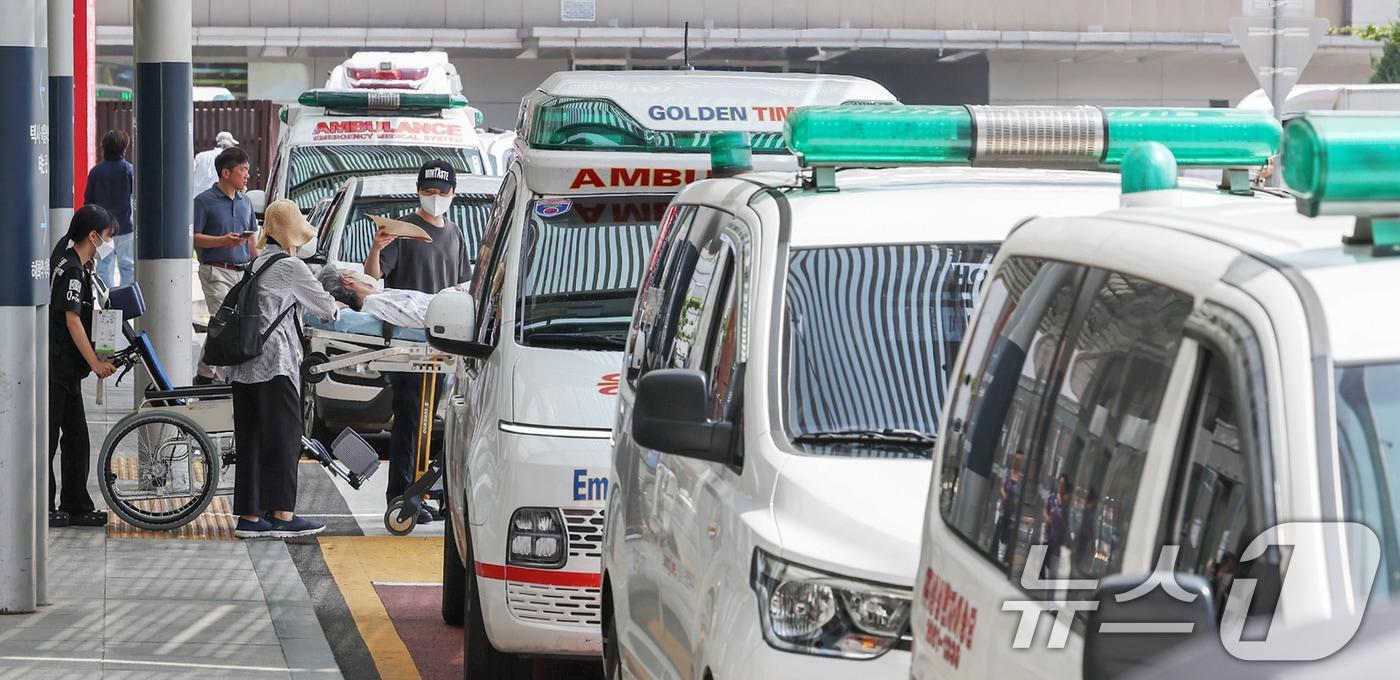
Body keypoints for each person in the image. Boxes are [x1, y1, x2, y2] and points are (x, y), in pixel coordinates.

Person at [228, 199, 342, 539]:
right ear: (293, 235)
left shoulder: (257, 261)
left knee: (250, 439)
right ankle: (282, 513)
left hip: (243, 366)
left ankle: (250, 517)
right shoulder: (292, 267)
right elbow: (325, 310)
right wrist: (338, 302)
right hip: (274, 365)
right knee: (286, 437)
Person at [364, 159, 470, 522]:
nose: (435, 198)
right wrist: (377, 247)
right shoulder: (404, 229)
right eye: (428, 192)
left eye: (442, 192)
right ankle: (401, 494)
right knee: (410, 417)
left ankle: (420, 492)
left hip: (440, 344)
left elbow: (462, 284)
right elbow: (374, 275)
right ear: (418, 191)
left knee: (430, 421)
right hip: (406, 345)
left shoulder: (455, 234)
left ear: (453, 194)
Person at [47, 205, 119, 528]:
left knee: (76, 438)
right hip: (56, 367)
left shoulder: (74, 259)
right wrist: (95, 361)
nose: (108, 243)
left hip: (65, 370)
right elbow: (72, 320)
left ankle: (75, 504)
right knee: (49, 439)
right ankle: (45, 506)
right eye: (107, 237)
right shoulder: (72, 270)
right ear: (93, 236)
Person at [193, 146, 260, 383]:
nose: (247, 175)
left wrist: (258, 264)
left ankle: (203, 375)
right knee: (225, 323)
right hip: (216, 271)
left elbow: (252, 239)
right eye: (243, 170)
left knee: (223, 325)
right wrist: (223, 241)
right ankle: (224, 380)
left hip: (242, 274)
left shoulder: (245, 202)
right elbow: (193, 237)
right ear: (226, 173)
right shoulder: (203, 202)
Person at [318, 268, 463, 328]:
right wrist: (450, 294)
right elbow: (422, 318)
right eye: (354, 271)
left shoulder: (380, 296)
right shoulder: (375, 303)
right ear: (348, 280)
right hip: (457, 311)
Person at [84, 130, 135, 288]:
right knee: (128, 265)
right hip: (125, 226)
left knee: (104, 267)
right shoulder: (129, 170)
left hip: (101, 228)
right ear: (124, 149)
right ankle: (126, 300)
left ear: (103, 148)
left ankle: (107, 303)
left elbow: (88, 201)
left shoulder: (95, 172)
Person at [1041, 473, 1071, 580]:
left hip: (1058, 540)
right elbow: (1045, 509)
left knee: (1053, 565)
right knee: (1042, 561)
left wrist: (1060, 519)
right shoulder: (1052, 497)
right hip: (1048, 535)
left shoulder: (1066, 503)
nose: (1061, 485)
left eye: (1063, 484)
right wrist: (1048, 518)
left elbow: (1066, 522)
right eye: (1060, 483)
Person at [192, 131, 239, 198]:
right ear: (229, 146)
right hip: (217, 198)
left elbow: (190, 174)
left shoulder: (200, 156)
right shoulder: (228, 159)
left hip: (197, 196)